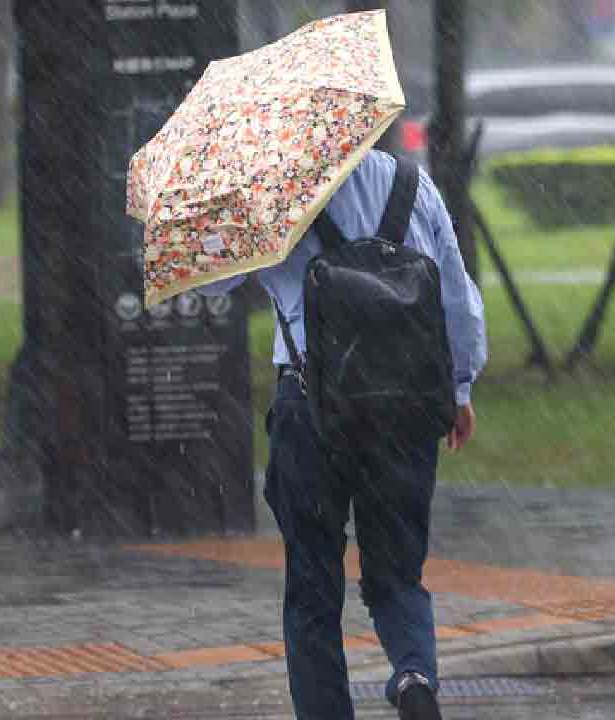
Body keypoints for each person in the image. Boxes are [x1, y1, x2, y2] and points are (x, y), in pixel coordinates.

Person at [200, 149, 487, 719]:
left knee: (312, 584)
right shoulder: (412, 183)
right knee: (398, 571)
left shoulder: (271, 192)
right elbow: (454, 294)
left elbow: (209, 288)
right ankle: (413, 674)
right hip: (405, 411)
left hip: (310, 411)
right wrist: (459, 388)